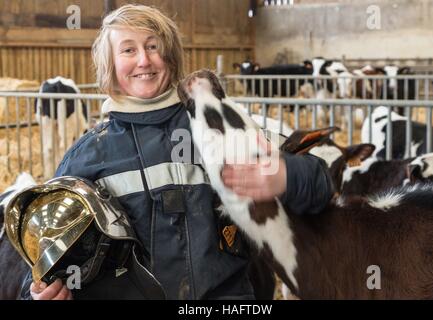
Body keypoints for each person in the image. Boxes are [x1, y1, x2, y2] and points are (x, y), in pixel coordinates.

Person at [23, 4, 333, 300]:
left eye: (153, 46)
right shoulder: (87, 157)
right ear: (110, 66)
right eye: (129, 50)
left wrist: (287, 175)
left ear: (171, 57)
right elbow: (44, 260)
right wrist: (44, 292)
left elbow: (324, 182)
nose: (144, 60)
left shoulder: (221, 128)